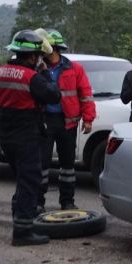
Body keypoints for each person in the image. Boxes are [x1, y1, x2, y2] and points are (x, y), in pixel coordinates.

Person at [0, 30, 62, 246]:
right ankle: (23, 232)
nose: (39, 60)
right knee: (30, 182)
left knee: (21, 179)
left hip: (5, 134)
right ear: (32, 57)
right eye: (38, 56)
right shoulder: (33, 77)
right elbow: (54, 95)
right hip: (27, 134)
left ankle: (19, 219)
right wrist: (46, 73)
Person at [34, 28, 96, 212]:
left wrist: (88, 119)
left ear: (54, 48)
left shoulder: (74, 68)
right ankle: (38, 202)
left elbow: (85, 94)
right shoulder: (37, 69)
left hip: (67, 122)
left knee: (68, 164)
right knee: (41, 163)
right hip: (45, 120)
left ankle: (67, 202)